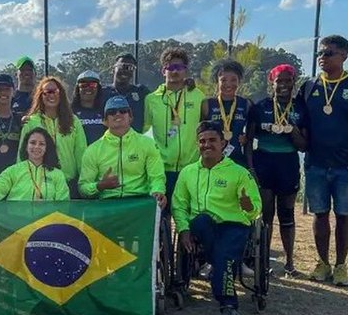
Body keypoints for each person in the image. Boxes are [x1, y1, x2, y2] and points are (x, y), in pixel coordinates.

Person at [295, 35, 348, 286]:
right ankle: (323, 263)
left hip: (347, 165)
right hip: (316, 163)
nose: (322, 57)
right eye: (320, 53)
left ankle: (341, 265)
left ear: (344, 55)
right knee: (320, 214)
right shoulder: (309, 87)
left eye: (329, 53)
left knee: (343, 215)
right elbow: (300, 123)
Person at [172, 121, 261, 315]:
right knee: (203, 222)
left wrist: (248, 207)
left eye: (212, 140)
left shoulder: (239, 173)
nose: (207, 145)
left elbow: (255, 209)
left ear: (223, 142)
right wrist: (184, 229)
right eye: (202, 141)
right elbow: (179, 205)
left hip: (233, 226)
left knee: (224, 257)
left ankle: (229, 306)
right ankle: (220, 264)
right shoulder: (188, 173)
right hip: (203, 228)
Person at [245, 64, 306, 278]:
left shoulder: (300, 107)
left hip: (288, 163)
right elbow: (249, 140)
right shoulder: (260, 107)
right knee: (266, 215)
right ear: (272, 82)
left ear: (293, 83)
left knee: (287, 214)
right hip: (264, 162)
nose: (284, 85)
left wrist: (293, 132)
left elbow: (304, 146)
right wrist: (251, 167)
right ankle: (263, 262)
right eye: (279, 81)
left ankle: (289, 263)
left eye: (288, 81)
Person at [144, 47, 206, 210]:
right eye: (170, 67)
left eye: (180, 67)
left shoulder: (198, 96)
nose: (175, 71)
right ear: (163, 70)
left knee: (188, 217)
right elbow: (144, 132)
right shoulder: (151, 100)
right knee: (162, 218)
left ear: (186, 71)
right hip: (162, 169)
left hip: (191, 168)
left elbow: (206, 127)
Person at [78, 96, 166, 208]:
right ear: (104, 121)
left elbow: (157, 177)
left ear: (130, 117)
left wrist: (158, 191)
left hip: (139, 203)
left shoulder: (148, 144)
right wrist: (100, 186)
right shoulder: (93, 150)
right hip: (107, 205)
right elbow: (83, 187)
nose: (118, 114)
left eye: (123, 111)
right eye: (112, 112)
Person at [19, 76, 87, 198]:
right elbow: (22, 156)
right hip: (40, 185)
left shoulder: (74, 121)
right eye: (47, 92)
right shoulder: (31, 122)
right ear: (40, 95)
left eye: (55, 91)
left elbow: (81, 154)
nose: (52, 95)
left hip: (69, 184)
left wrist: (84, 183)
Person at [0, 127, 68, 201]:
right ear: (26, 146)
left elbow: (63, 205)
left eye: (41, 144)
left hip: (46, 226)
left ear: (47, 148)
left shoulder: (57, 175)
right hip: (17, 226)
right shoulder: (13, 171)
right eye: (33, 143)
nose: (37, 147)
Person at [202, 59, 251, 167]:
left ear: (239, 82)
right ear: (217, 81)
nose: (228, 84)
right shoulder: (207, 104)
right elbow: (200, 134)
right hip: (213, 162)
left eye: (233, 80)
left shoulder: (246, 104)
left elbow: (252, 134)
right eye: (223, 80)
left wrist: (245, 138)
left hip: (238, 162)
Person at [101, 53, 150, 132]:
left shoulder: (141, 92)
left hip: (135, 142)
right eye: (121, 66)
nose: (125, 70)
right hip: (109, 142)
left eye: (130, 68)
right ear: (113, 69)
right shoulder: (101, 92)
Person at [71, 70, 106, 145]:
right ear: (78, 89)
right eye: (83, 85)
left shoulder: (105, 111)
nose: (88, 88)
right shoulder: (70, 112)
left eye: (92, 85)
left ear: (98, 89)